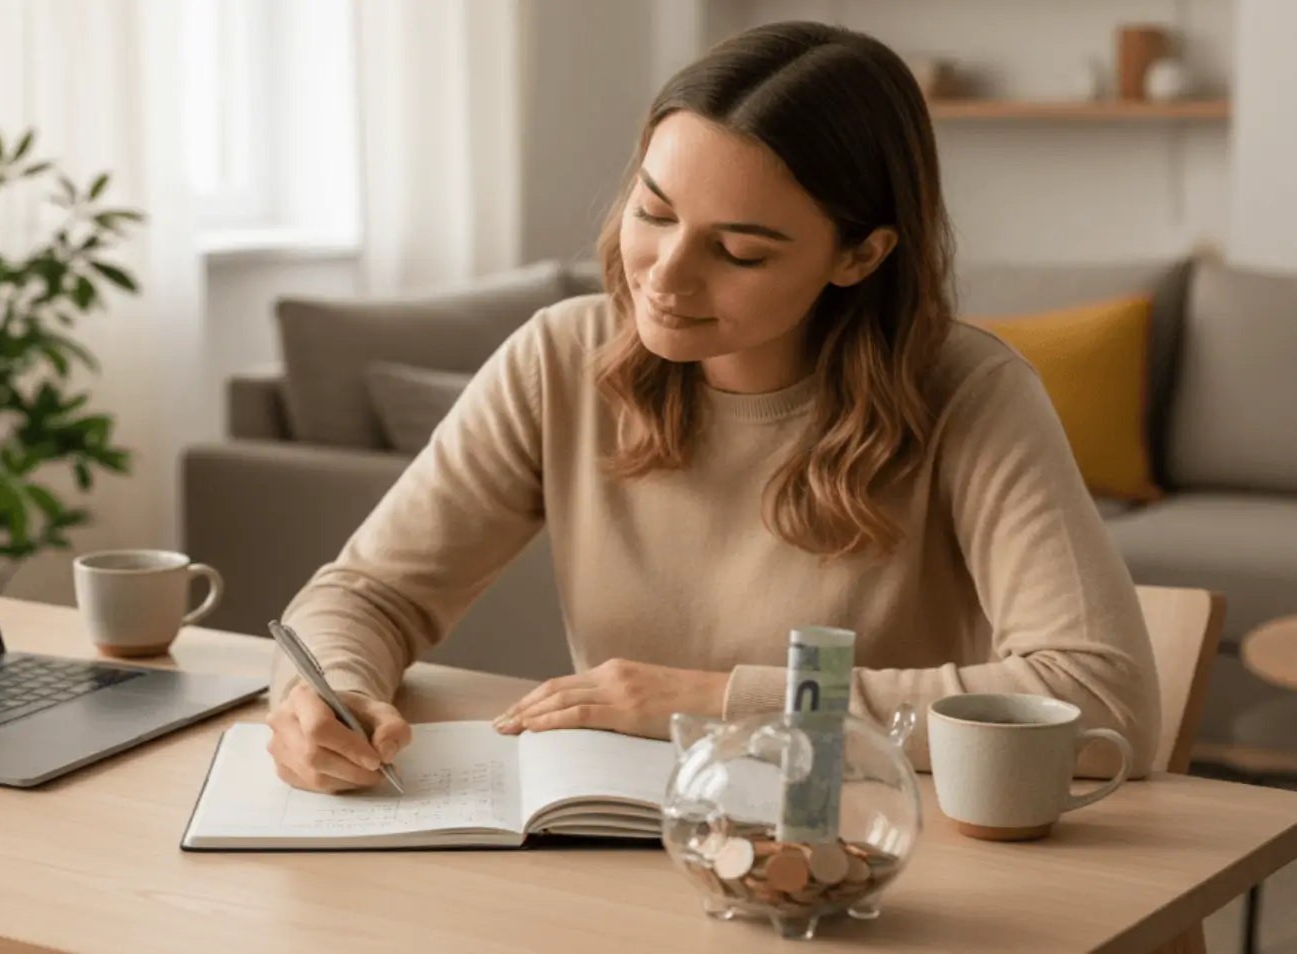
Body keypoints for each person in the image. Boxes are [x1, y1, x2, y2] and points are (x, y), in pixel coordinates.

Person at [263, 20, 1162, 794]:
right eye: (652, 212)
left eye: (737, 251)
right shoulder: (560, 357)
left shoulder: (970, 392)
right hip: (626, 838)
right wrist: (330, 694)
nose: (662, 273)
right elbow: (369, 593)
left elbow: (1101, 702)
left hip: (863, 857)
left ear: (859, 255)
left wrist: (714, 701)